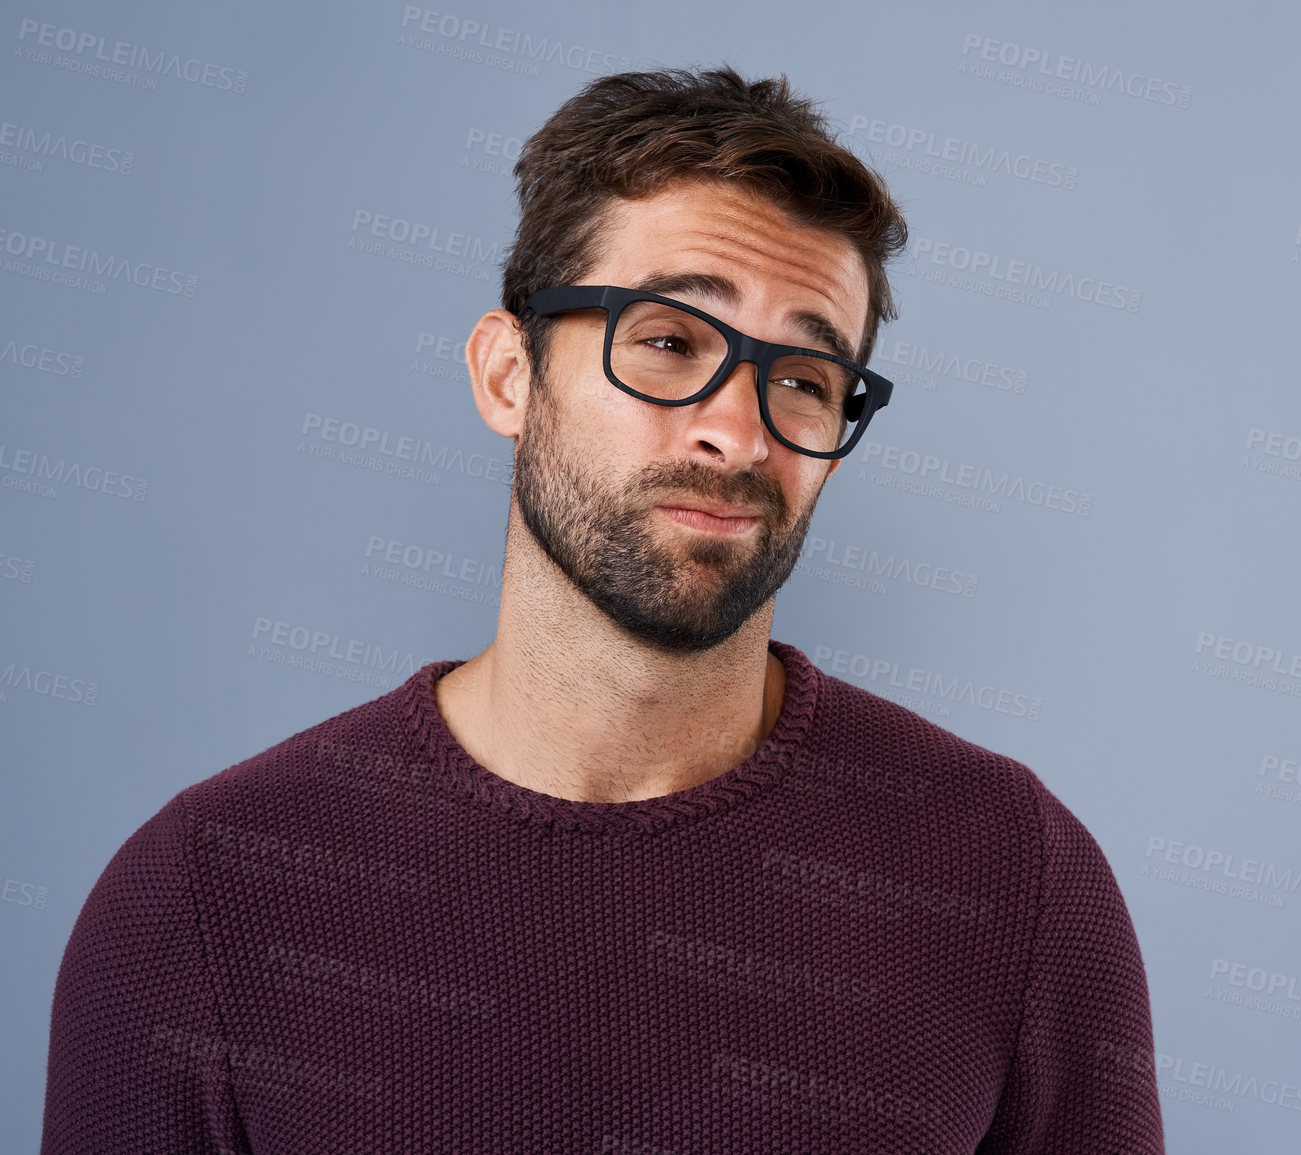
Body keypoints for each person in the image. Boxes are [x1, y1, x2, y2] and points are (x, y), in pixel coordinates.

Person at [40, 67, 1163, 1153]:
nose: (739, 431)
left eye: (806, 382)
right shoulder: (203, 896)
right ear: (507, 376)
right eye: (670, 342)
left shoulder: (1013, 877)